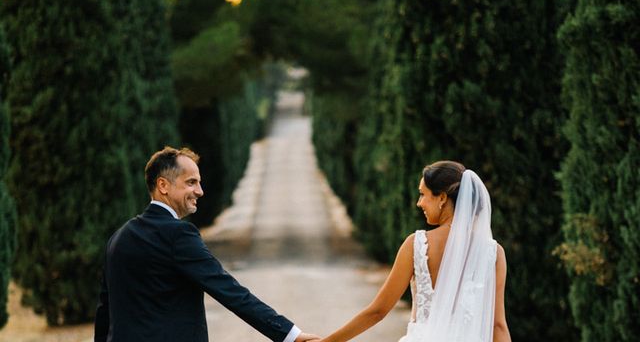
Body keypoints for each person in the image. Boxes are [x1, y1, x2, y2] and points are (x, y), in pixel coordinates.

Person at [94, 146, 319, 342]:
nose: (200, 192)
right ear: (163, 185)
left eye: (199, 183)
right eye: (191, 182)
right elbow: (228, 290)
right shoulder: (178, 234)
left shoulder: (118, 238)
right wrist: (289, 335)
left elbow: (105, 312)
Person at [318, 161, 511, 342]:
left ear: (442, 198)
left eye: (423, 195)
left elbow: (377, 311)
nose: (419, 203)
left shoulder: (418, 245)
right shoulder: (493, 254)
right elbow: (498, 325)